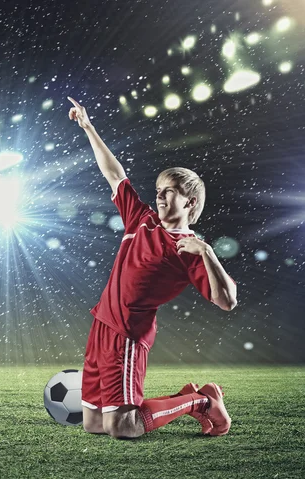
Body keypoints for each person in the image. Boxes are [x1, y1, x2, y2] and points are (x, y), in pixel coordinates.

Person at [68, 97, 237, 439]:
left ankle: (201, 402)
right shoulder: (140, 220)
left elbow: (227, 301)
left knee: (124, 429)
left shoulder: (188, 248)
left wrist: (207, 252)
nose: (160, 197)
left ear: (189, 203)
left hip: (129, 334)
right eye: (159, 190)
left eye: (170, 192)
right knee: (94, 424)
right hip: (102, 323)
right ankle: (184, 398)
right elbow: (114, 174)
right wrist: (88, 127)